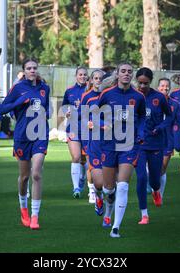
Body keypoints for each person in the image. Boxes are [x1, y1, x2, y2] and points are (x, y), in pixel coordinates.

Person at [0, 58, 51, 230]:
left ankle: (35, 216)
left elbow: (47, 108)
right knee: (24, 177)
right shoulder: (18, 88)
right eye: (29, 68)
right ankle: (23, 209)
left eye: (34, 68)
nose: (32, 70)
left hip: (40, 134)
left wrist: (45, 112)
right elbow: (2, 109)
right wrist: (20, 101)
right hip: (22, 136)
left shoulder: (44, 88)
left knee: (36, 174)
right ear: (24, 71)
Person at [97, 62, 146, 238]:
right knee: (108, 188)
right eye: (123, 71)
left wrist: (140, 133)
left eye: (129, 72)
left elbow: (141, 117)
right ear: (117, 74)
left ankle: (116, 227)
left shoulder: (138, 97)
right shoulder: (106, 94)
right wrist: (104, 124)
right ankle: (108, 204)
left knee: (123, 185)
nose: (126, 74)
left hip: (129, 144)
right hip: (109, 144)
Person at [135, 69, 172, 225]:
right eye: (140, 82)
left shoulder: (159, 97)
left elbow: (170, 116)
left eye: (146, 83)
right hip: (138, 145)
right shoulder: (133, 97)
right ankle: (144, 214)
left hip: (156, 143)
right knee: (141, 178)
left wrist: (161, 126)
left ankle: (156, 191)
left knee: (154, 180)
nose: (142, 86)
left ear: (151, 82)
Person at [80, 69, 107, 219]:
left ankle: (109, 211)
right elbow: (82, 117)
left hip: (110, 140)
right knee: (98, 180)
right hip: (93, 139)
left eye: (101, 78)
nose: (98, 81)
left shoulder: (109, 95)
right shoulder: (87, 97)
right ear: (91, 81)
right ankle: (97, 196)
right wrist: (88, 123)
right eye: (95, 78)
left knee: (110, 179)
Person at [62, 67, 90, 200]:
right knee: (76, 157)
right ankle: (76, 188)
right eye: (80, 74)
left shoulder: (91, 90)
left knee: (85, 159)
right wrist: (66, 113)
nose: (83, 77)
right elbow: (63, 107)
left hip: (89, 130)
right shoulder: (69, 91)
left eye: (85, 75)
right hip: (73, 128)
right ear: (76, 76)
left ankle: (83, 177)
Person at [158, 78, 180, 204]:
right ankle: (150, 185)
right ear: (158, 87)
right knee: (147, 169)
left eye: (167, 86)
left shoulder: (175, 104)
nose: (165, 88)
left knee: (162, 169)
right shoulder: (151, 101)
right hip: (151, 139)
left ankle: (159, 195)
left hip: (167, 139)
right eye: (162, 86)